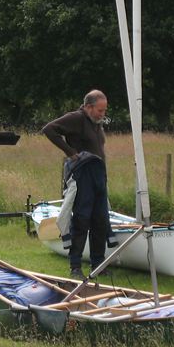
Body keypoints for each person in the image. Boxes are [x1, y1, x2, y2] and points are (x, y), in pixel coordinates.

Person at [42, 90, 112, 279]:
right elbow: (49, 129)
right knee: (81, 220)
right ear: (88, 107)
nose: (103, 114)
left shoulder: (96, 123)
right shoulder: (77, 118)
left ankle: (98, 265)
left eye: (104, 110)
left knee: (100, 221)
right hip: (82, 176)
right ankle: (75, 267)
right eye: (100, 110)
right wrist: (70, 152)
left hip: (99, 176)